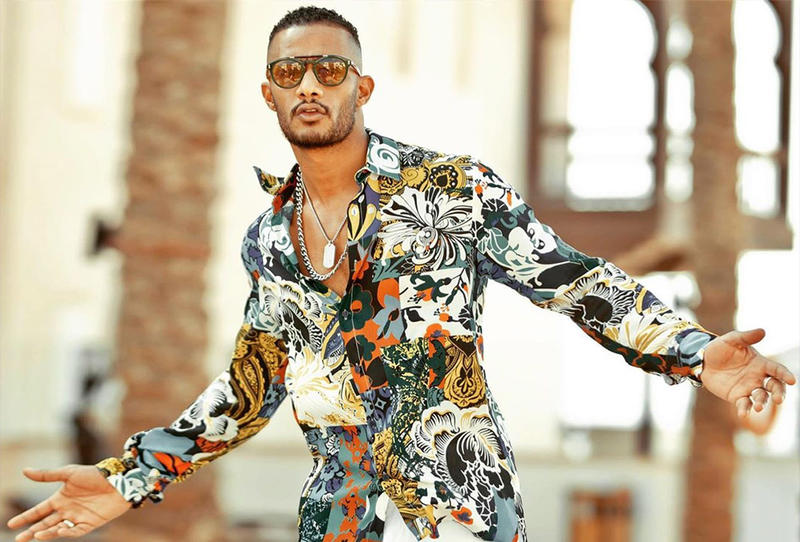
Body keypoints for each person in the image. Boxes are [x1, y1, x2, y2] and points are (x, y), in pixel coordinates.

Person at [6, 6, 797, 542]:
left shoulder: (451, 190)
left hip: (461, 507)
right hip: (338, 516)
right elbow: (251, 384)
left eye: (328, 69)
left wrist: (695, 352)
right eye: (290, 72)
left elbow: (573, 279)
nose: (308, 85)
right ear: (269, 94)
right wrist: (130, 477)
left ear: (362, 86)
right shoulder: (269, 240)